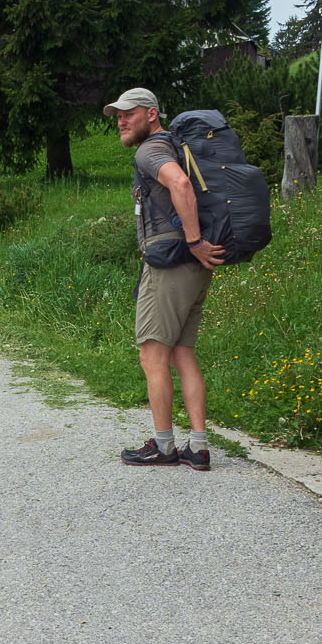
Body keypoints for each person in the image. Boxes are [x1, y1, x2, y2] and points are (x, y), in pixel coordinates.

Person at [106, 86, 225, 471]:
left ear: (152, 114)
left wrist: (193, 241)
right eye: (118, 116)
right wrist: (197, 245)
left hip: (172, 262)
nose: (121, 121)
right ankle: (199, 447)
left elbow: (181, 185)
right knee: (181, 353)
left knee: (152, 354)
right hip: (192, 265)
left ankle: (163, 445)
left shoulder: (151, 149)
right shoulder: (174, 146)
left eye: (129, 114)